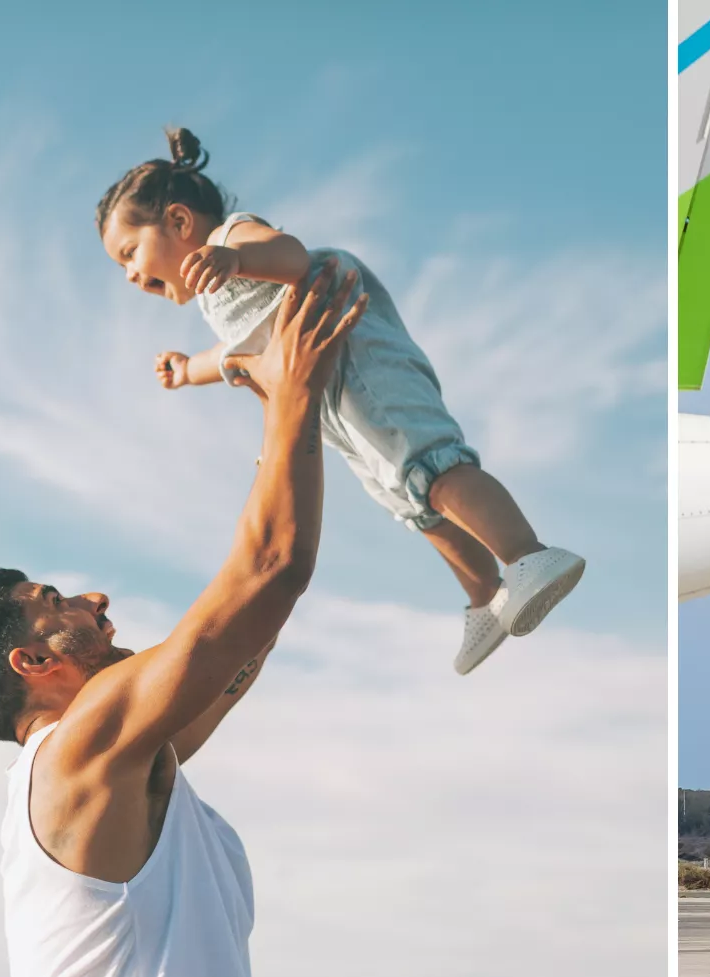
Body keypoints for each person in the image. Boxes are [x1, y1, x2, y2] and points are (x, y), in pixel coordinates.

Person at [0, 261, 360, 977]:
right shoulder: (77, 755)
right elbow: (269, 573)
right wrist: (293, 393)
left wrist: (278, 425)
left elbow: (250, 630)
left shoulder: (128, 762)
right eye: (57, 602)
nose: (93, 599)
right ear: (31, 662)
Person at [97, 126, 584, 675]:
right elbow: (235, 352)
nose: (130, 274)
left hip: (364, 367)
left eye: (130, 253)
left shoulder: (233, 238)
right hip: (336, 406)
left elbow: (290, 255)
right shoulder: (218, 301)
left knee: (430, 467)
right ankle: (485, 596)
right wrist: (189, 370)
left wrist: (233, 259)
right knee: (413, 501)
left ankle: (527, 554)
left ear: (180, 222)